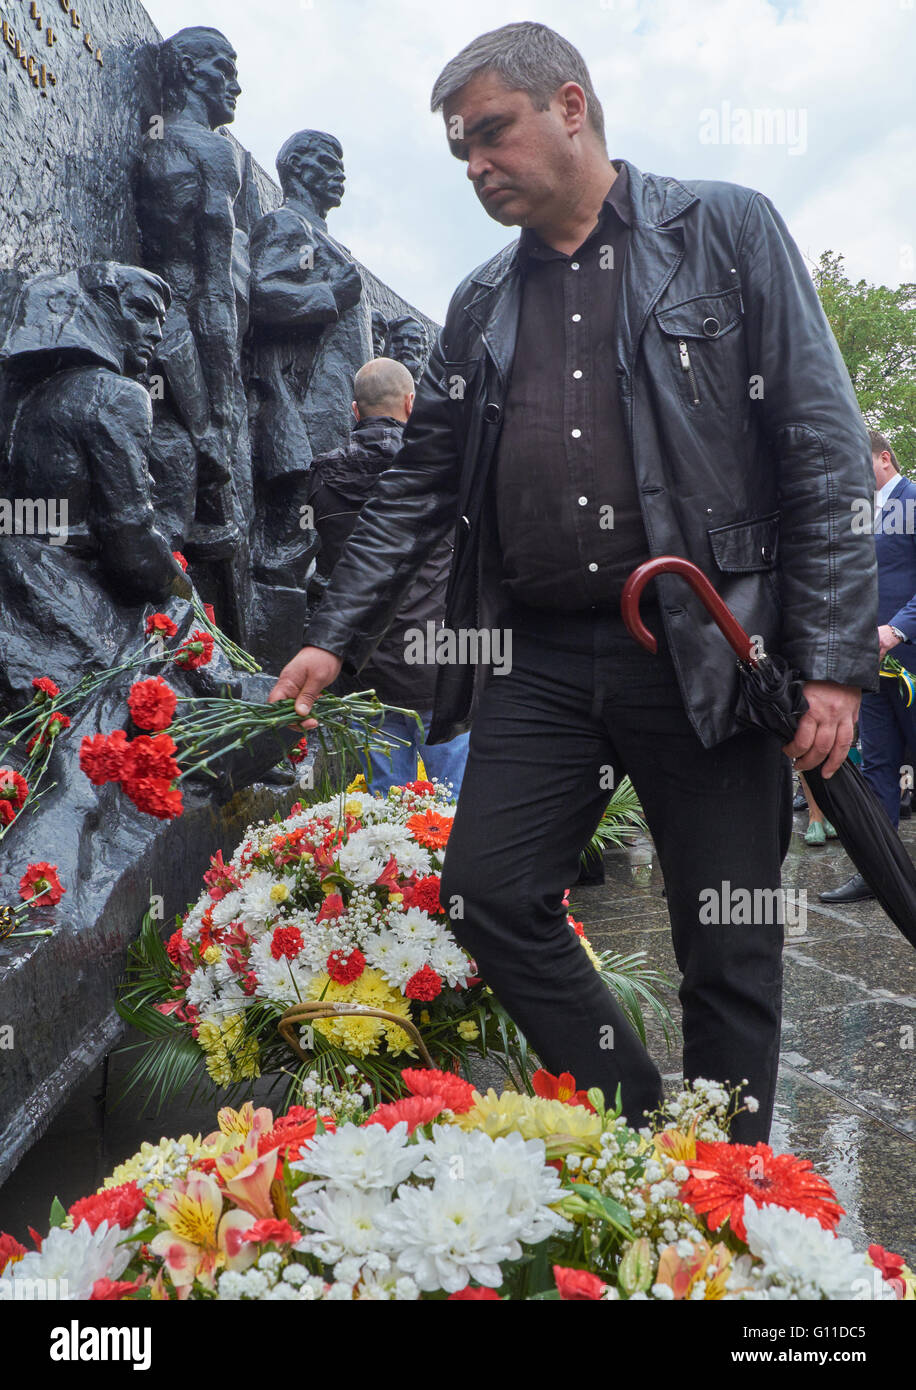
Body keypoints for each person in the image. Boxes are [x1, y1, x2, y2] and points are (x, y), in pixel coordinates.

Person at [269, 22, 877, 1143]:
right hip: (541, 656)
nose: (476, 166)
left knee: (725, 939)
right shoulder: (479, 301)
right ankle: (647, 1134)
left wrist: (834, 663)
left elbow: (823, 443)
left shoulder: (726, 229)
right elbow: (421, 481)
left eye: (491, 133)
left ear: (571, 105)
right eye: (459, 151)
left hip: (706, 644)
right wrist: (333, 635)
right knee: (487, 892)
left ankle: (732, 1200)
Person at [306, 357, 470, 796]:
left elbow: (332, 568)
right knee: (451, 805)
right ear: (412, 404)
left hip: (364, 667)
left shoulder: (322, 477)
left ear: (355, 411)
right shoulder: (441, 470)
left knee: (384, 818)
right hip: (438, 662)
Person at [821, 429, 915, 903]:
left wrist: (898, 629)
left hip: (910, 659)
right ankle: (880, 873)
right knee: (878, 764)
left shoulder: (913, 501)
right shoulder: (856, 516)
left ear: (884, 457)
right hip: (869, 667)